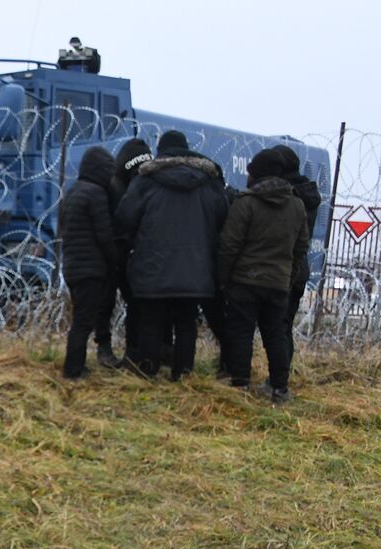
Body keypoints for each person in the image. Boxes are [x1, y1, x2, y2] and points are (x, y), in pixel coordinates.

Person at [114, 130, 228, 379]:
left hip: (152, 265)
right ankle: (183, 373)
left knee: (151, 322)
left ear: (161, 150)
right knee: (186, 323)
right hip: (196, 269)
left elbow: (125, 218)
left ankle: (148, 370)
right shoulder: (208, 182)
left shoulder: (146, 180)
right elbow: (222, 217)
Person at [217, 149, 309, 404]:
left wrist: (224, 279)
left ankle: (240, 385)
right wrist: (287, 278)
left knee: (241, 333)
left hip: (245, 280)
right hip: (278, 283)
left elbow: (229, 245)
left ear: (256, 174)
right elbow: (301, 248)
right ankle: (280, 388)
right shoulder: (297, 205)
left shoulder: (246, 203)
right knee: (276, 335)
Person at [57, 146, 118, 378]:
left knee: (80, 318)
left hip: (72, 265)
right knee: (83, 321)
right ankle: (74, 369)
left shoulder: (72, 191)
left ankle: (76, 365)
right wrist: (115, 260)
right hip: (90, 268)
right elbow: (104, 234)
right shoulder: (96, 194)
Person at [272, 144, 322, 351]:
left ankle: (277, 378)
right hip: (298, 269)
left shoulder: (288, 198)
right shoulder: (307, 195)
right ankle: (281, 377)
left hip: (281, 269)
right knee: (283, 327)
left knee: (276, 327)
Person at [109, 138, 151, 362]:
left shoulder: (117, 187)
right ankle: (149, 357)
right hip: (150, 260)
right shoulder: (154, 183)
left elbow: (120, 224)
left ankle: (134, 355)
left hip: (127, 259)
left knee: (136, 311)